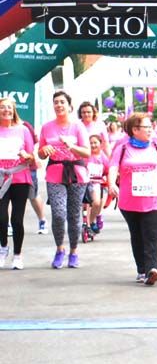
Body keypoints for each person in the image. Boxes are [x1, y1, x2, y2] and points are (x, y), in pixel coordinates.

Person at [107, 113, 157, 285]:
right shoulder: (122, 147)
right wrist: (111, 184)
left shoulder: (156, 146)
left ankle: (152, 269)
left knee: (150, 234)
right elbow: (113, 167)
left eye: (151, 127)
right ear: (135, 130)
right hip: (129, 200)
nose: (151, 130)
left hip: (154, 199)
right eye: (147, 127)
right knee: (137, 234)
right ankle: (142, 269)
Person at [38, 91, 90, 269]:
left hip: (77, 173)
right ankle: (60, 249)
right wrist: (44, 151)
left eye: (62, 102)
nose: (59, 105)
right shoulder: (46, 127)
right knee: (59, 214)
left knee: (74, 215)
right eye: (56, 102)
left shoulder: (78, 127)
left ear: (69, 106)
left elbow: (87, 152)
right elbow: (40, 152)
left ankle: (74, 251)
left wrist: (71, 146)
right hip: (54, 173)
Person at [0, 97, 37, 270]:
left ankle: (17, 254)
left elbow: (32, 158)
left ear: (14, 110)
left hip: (19, 178)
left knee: (17, 219)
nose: (6, 110)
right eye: (2, 107)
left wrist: (27, 156)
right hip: (1, 178)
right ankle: (3, 248)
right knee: (1, 218)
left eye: (9, 107)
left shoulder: (23, 130)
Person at [83, 134, 109, 235]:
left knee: (96, 203)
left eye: (95, 143)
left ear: (100, 144)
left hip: (96, 183)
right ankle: (86, 224)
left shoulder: (103, 157)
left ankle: (92, 220)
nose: (93, 145)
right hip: (84, 182)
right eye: (91, 143)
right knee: (84, 204)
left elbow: (108, 170)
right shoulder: (85, 156)